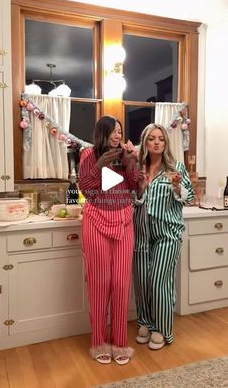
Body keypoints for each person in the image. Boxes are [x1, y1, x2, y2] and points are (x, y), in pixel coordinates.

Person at [79, 115, 138, 365]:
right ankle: (99, 342)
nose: (117, 135)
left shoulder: (124, 157)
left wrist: (132, 161)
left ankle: (120, 342)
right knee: (99, 283)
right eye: (113, 131)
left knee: (122, 283)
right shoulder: (87, 155)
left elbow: (135, 186)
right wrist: (99, 165)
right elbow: (86, 189)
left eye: (120, 131)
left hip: (124, 220)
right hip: (95, 221)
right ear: (102, 133)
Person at [133, 123, 194, 350]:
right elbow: (132, 200)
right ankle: (145, 322)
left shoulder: (176, 167)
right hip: (141, 232)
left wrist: (178, 188)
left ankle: (161, 328)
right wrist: (140, 187)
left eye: (161, 139)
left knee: (159, 281)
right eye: (152, 138)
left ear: (166, 143)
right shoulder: (138, 168)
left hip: (167, 233)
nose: (157, 142)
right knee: (142, 281)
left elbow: (188, 198)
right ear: (145, 142)